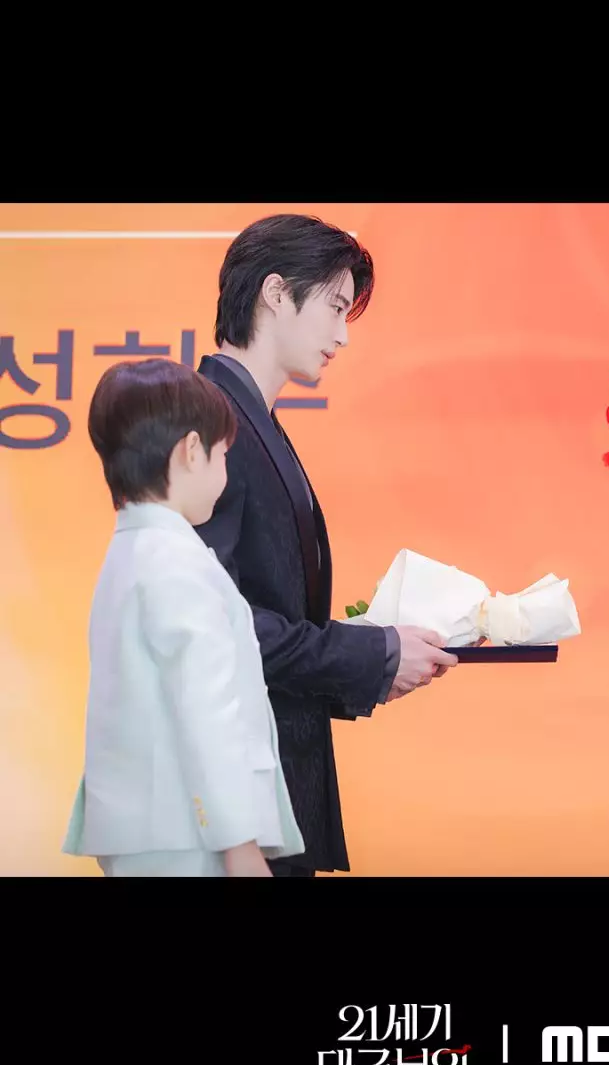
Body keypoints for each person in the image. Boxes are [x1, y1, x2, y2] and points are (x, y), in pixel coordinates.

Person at [194, 213, 458, 877]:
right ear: (276, 293)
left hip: (269, 783)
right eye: (336, 307)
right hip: (233, 805)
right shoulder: (209, 423)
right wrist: (369, 655)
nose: (343, 335)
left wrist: (377, 658)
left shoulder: (248, 419)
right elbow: (213, 627)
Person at [62, 358, 304, 877]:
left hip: (148, 827)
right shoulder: (176, 562)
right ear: (192, 451)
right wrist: (238, 842)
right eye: (223, 455)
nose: (224, 473)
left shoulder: (130, 552)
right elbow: (205, 708)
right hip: (187, 833)